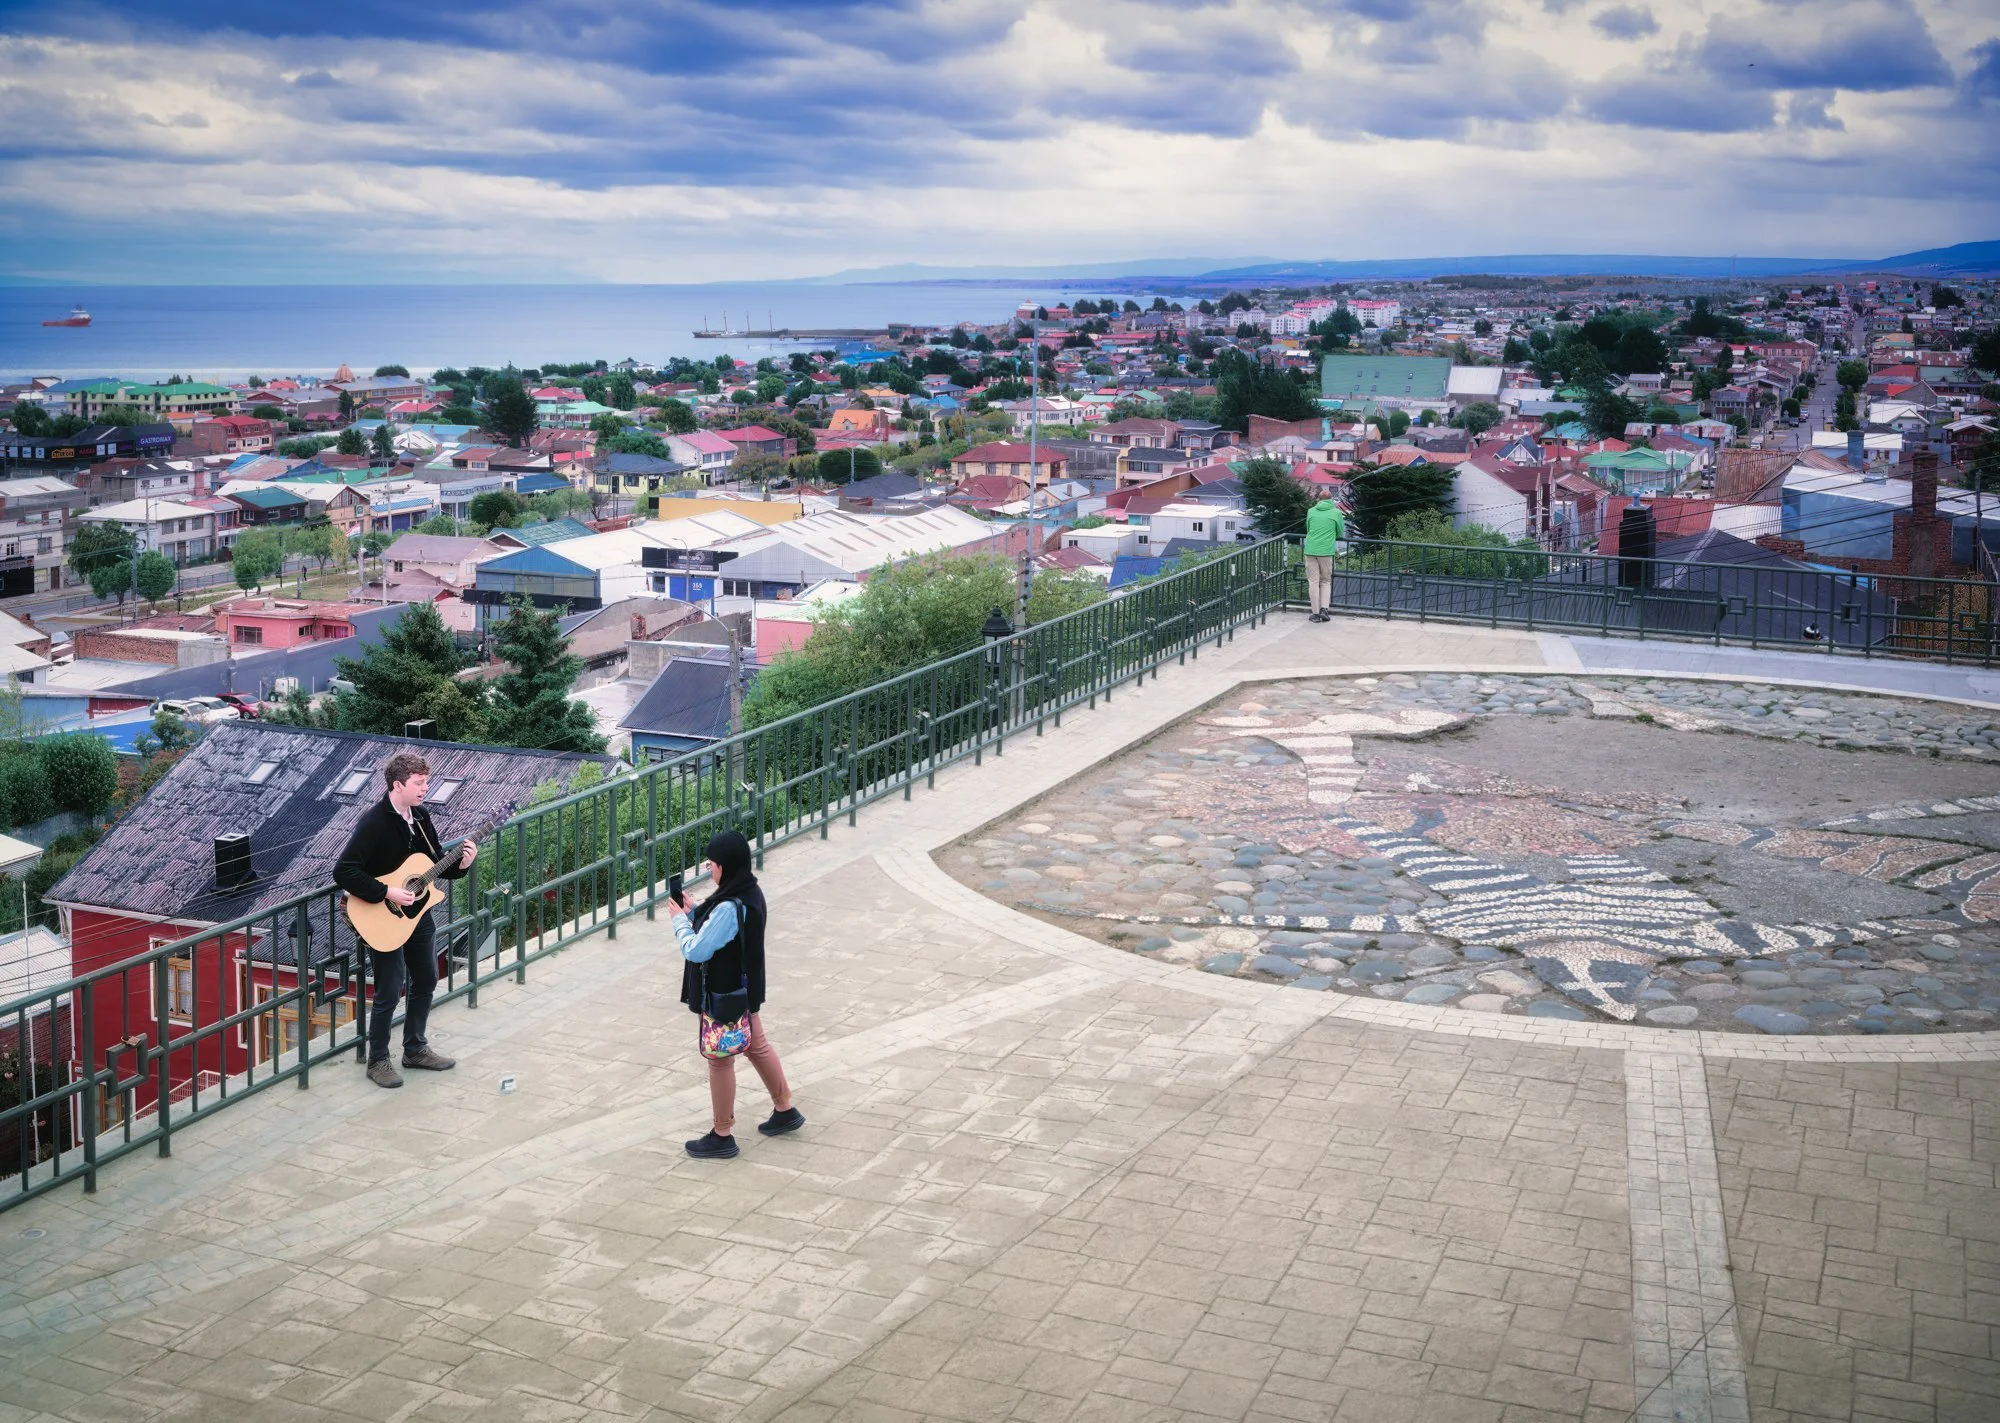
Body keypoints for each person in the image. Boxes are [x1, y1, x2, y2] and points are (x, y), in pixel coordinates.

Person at [334, 752, 476, 1089]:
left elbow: (436, 864)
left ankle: (414, 1049)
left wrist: (464, 864)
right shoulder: (374, 823)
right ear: (398, 785)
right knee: (389, 988)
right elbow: (343, 871)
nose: (425, 788)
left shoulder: (421, 817)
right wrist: (386, 892)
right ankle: (378, 1060)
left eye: (426, 781)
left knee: (426, 978)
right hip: (381, 916)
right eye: (419, 783)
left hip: (418, 913)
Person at [668, 830, 800, 1159]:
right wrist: (696, 910)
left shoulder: (728, 906)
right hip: (747, 987)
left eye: (713, 864)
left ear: (726, 866)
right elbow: (726, 928)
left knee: (720, 1061)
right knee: (756, 1044)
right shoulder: (750, 891)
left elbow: (696, 950)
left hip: (725, 992)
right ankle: (785, 1110)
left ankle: (722, 1134)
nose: (710, 870)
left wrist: (679, 922)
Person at [1303, 494, 1346, 623]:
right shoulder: (1336, 513)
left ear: (1319, 500)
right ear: (1331, 499)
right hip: (1326, 551)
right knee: (1326, 581)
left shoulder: (1311, 511)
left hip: (1310, 550)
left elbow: (1308, 528)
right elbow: (1340, 531)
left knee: (1313, 581)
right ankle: (1324, 610)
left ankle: (1315, 614)